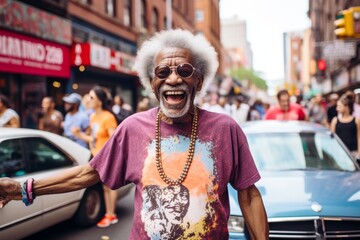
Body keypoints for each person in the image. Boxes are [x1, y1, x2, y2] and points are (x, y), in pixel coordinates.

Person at [0, 29, 269, 239]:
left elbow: (249, 195)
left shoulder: (226, 129)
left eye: (184, 71)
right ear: (151, 83)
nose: (173, 79)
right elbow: (89, 174)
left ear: (198, 80)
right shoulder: (132, 128)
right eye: (162, 72)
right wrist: (22, 188)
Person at [72, 86, 119, 228]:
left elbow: (115, 140)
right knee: (104, 187)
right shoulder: (92, 117)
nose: (88, 99)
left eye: (91, 97)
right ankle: (109, 214)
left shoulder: (108, 117)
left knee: (109, 186)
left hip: (107, 157)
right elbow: (94, 139)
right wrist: (79, 135)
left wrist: (108, 157)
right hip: (96, 157)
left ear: (99, 101)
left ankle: (111, 214)